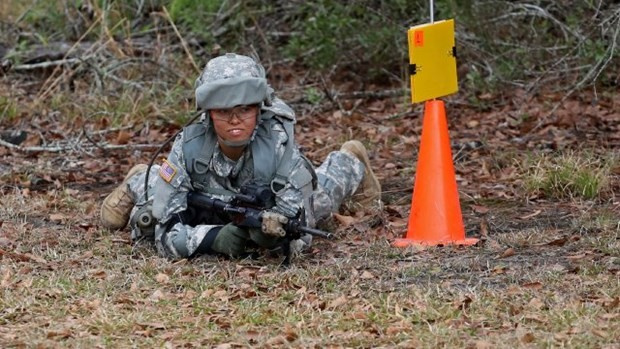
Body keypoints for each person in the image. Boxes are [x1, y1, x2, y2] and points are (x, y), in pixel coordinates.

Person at [100, 53, 381, 260]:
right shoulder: (189, 145)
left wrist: (267, 240)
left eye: (245, 109)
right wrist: (214, 239)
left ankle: (350, 160)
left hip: (267, 203)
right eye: (223, 112)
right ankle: (140, 180)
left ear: (260, 109)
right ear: (209, 114)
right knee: (148, 218)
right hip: (203, 201)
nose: (235, 119)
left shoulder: (278, 144)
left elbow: (300, 237)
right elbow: (164, 233)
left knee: (320, 201)